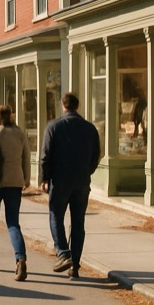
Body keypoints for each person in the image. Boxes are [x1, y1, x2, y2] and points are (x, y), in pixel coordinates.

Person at [40, 92, 101, 279]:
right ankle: (74, 265)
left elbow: (45, 155)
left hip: (60, 180)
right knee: (78, 222)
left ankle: (63, 252)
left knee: (55, 215)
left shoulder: (54, 127)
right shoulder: (90, 129)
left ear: (63, 105)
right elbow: (96, 155)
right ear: (78, 106)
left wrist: (44, 177)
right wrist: (87, 172)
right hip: (81, 181)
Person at [0, 105, 32, 281]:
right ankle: (21, 259)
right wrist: (26, 179)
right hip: (14, 183)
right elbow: (26, 158)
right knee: (13, 223)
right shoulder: (20, 135)